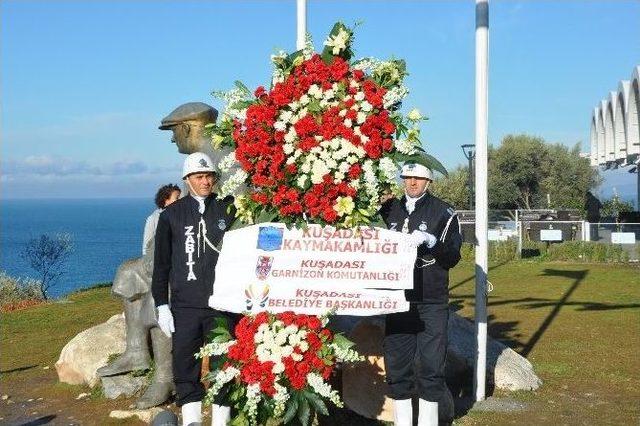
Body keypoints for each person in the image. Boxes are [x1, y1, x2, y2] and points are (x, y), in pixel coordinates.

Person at [152, 152, 236, 426]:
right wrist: (161, 304)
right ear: (187, 180)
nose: (205, 182)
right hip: (185, 305)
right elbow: (161, 264)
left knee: (222, 364)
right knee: (185, 364)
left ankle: (221, 421)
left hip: (221, 304)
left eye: (209, 176)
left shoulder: (228, 208)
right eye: (199, 177)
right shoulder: (171, 215)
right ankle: (192, 421)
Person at [380, 162, 462, 426]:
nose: (412, 183)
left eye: (418, 179)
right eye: (407, 178)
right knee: (397, 364)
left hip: (431, 298)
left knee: (432, 366)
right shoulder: (389, 209)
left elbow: (452, 257)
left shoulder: (444, 212)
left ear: (428, 182)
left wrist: (432, 242)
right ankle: (402, 422)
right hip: (398, 298)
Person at [143, 184, 182, 255]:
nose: (180, 201)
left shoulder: (181, 215)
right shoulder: (153, 218)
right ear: (166, 200)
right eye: (177, 198)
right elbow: (146, 246)